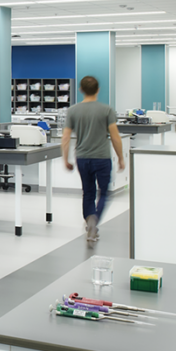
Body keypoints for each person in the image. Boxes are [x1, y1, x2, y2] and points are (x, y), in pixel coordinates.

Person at [60, 75, 124, 247]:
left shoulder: (73, 110)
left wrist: (65, 159)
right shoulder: (107, 110)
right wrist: (121, 158)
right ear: (98, 90)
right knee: (104, 192)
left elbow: (65, 137)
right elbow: (115, 137)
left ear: (80, 90)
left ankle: (89, 219)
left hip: (82, 158)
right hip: (102, 158)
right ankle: (94, 220)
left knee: (88, 192)